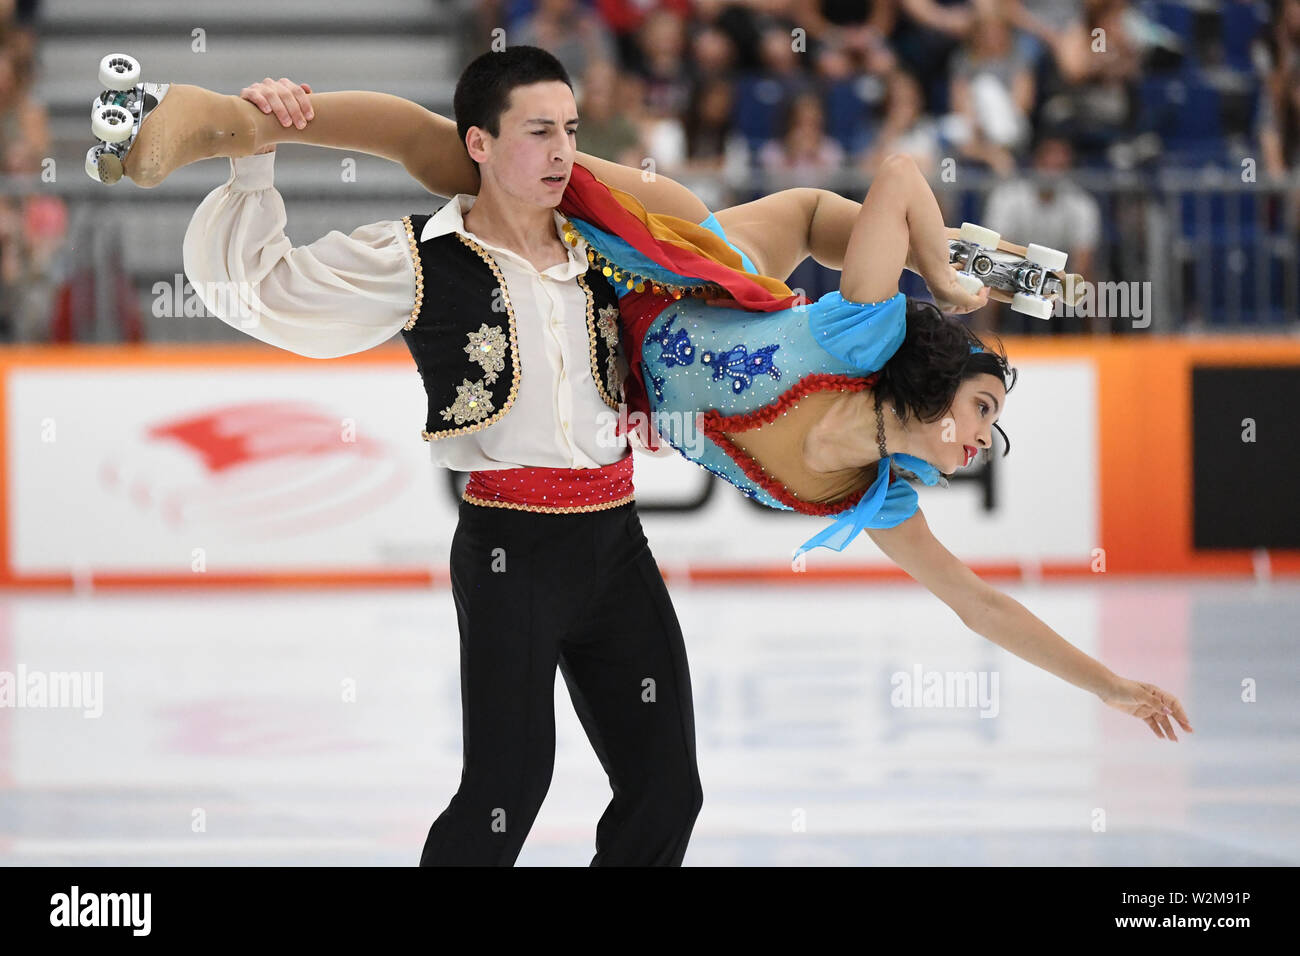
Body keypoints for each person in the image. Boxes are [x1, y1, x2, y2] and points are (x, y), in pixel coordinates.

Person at [106, 49, 1189, 770]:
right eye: (980, 408)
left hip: (622, 317)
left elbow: (978, 606)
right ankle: (229, 123)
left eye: (985, 432)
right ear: (932, 379)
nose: (976, 441)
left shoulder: (880, 492)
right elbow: (887, 178)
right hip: (683, 261)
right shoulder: (855, 339)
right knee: (460, 149)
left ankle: (972, 261)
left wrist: (1112, 683)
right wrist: (943, 276)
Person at [182, 47, 704, 866]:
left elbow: (716, 253)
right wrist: (255, 154)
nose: (564, 151)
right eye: (538, 132)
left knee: (669, 785)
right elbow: (261, 287)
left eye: (570, 130)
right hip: (511, 551)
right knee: (507, 791)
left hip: (617, 541)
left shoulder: (608, 256)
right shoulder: (421, 262)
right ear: (480, 145)